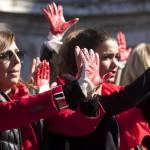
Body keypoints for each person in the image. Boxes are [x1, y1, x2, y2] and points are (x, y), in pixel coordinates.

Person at [40, 2, 150, 150]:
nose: (116, 64)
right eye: (107, 57)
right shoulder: (62, 93)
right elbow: (124, 99)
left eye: (117, 57)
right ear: (83, 57)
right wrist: (53, 41)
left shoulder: (111, 89)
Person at [0, 30, 107, 150]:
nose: (17, 61)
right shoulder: (28, 104)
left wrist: (89, 98)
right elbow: (15, 111)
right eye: (6, 55)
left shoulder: (26, 96)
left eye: (18, 54)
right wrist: (74, 90)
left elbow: (76, 125)